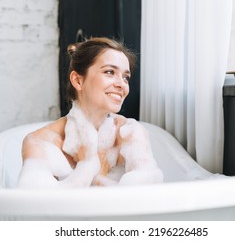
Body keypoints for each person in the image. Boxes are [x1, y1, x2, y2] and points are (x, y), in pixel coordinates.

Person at [17, 37, 162, 188]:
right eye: (109, 72)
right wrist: (87, 165)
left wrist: (96, 178)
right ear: (78, 81)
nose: (121, 84)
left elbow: (145, 197)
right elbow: (40, 206)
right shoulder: (41, 141)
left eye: (126, 77)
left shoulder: (130, 133)